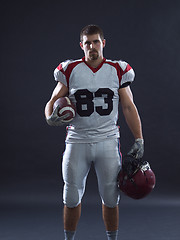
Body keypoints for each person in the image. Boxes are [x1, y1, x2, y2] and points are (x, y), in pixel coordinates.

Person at [45, 24, 144, 240]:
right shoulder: (70, 70)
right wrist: (49, 116)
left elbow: (128, 106)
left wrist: (139, 139)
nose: (92, 46)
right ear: (81, 46)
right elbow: (52, 101)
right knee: (71, 197)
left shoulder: (117, 69)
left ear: (103, 43)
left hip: (107, 141)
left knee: (111, 197)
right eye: (87, 43)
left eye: (96, 41)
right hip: (77, 141)